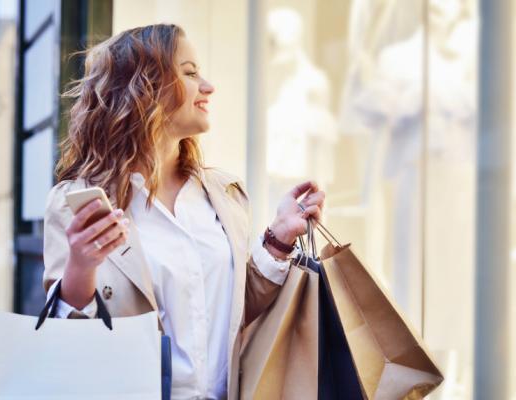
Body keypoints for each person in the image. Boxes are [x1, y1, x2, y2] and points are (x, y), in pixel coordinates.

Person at [42, 24, 325, 400]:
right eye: (190, 73)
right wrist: (81, 264)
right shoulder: (77, 202)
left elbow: (231, 313)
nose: (208, 86)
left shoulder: (224, 194)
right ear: (144, 88)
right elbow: (68, 340)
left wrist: (279, 237)